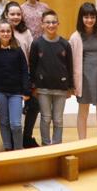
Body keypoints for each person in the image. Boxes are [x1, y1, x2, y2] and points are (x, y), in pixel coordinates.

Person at [29, 10, 73, 146]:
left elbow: (70, 66)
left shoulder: (65, 44)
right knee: (46, 118)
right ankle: (46, 145)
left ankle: (57, 145)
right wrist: (33, 86)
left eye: (54, 22)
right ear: (42, 25)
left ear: (58, 24)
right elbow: (33, 65)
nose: (51, 25)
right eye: (48, 22)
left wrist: (70, 87)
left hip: (61, 88)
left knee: (58, 119)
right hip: (43, 88)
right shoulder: (37, 44)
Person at [0, 19, 30, 151]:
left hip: (16, 92)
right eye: (2, 31)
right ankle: (8, 148)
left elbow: (24, 71)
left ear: (12, 33)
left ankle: (18, 149)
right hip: (0, 92)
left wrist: (26, 91)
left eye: (8, 31)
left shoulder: (17, 51)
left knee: (15, 124)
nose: (5, 34)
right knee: (4, 122)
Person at [2, 1, 38, 148]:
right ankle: (11, 139)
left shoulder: (26, 32)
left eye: (18, 14)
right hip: (7, 78)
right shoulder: (1, 30)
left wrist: (31, 80)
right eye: (12, 14)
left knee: (34, 106)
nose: (15, 17)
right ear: (6, 15)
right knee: (11, 113)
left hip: (24, 77)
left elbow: (31, 55)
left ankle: (27, 137)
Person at [69, 3, 97, 139]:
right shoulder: (75, 37)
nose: (89, 20)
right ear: (81, 18)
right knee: (83, 112)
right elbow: (70, 63)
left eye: (92, 16)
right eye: (86, 16)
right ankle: (82, 142)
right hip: (84, 78)